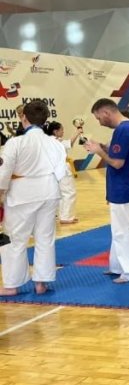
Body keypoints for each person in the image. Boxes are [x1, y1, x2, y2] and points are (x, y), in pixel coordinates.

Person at [0, 100, 67, 296]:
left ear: (23, 118)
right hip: (49, 192)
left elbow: (4, 171)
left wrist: (1, 193)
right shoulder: (55, 143)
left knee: (14, 240)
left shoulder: (16, 143)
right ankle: (41, 283)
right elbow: (61, 172)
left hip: (22, 194)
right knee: (45, 238)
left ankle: (12, 285)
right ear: (45, 120)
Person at [85, 98, 129, 284]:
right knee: (120, 231)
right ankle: (118, 266)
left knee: (127, 231)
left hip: (124, 186)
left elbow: (117, 163)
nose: (99, 122)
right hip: (127, 185)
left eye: (99, 118)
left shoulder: (123, 130)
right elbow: (124, 154)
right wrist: (105, 148)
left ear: (106, 113)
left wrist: (98, 151)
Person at [44, 121, 80, 224]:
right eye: (61, 130)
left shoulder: (47, 141)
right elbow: (69, 143)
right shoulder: (56, 141)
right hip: (62, 170)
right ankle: (66, 217)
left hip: (52, 171)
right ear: (55, 131)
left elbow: (68, 144)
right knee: (69, 192)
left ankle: (62, 215)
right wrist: (77, 132)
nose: (63, 132)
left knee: (60, 193)